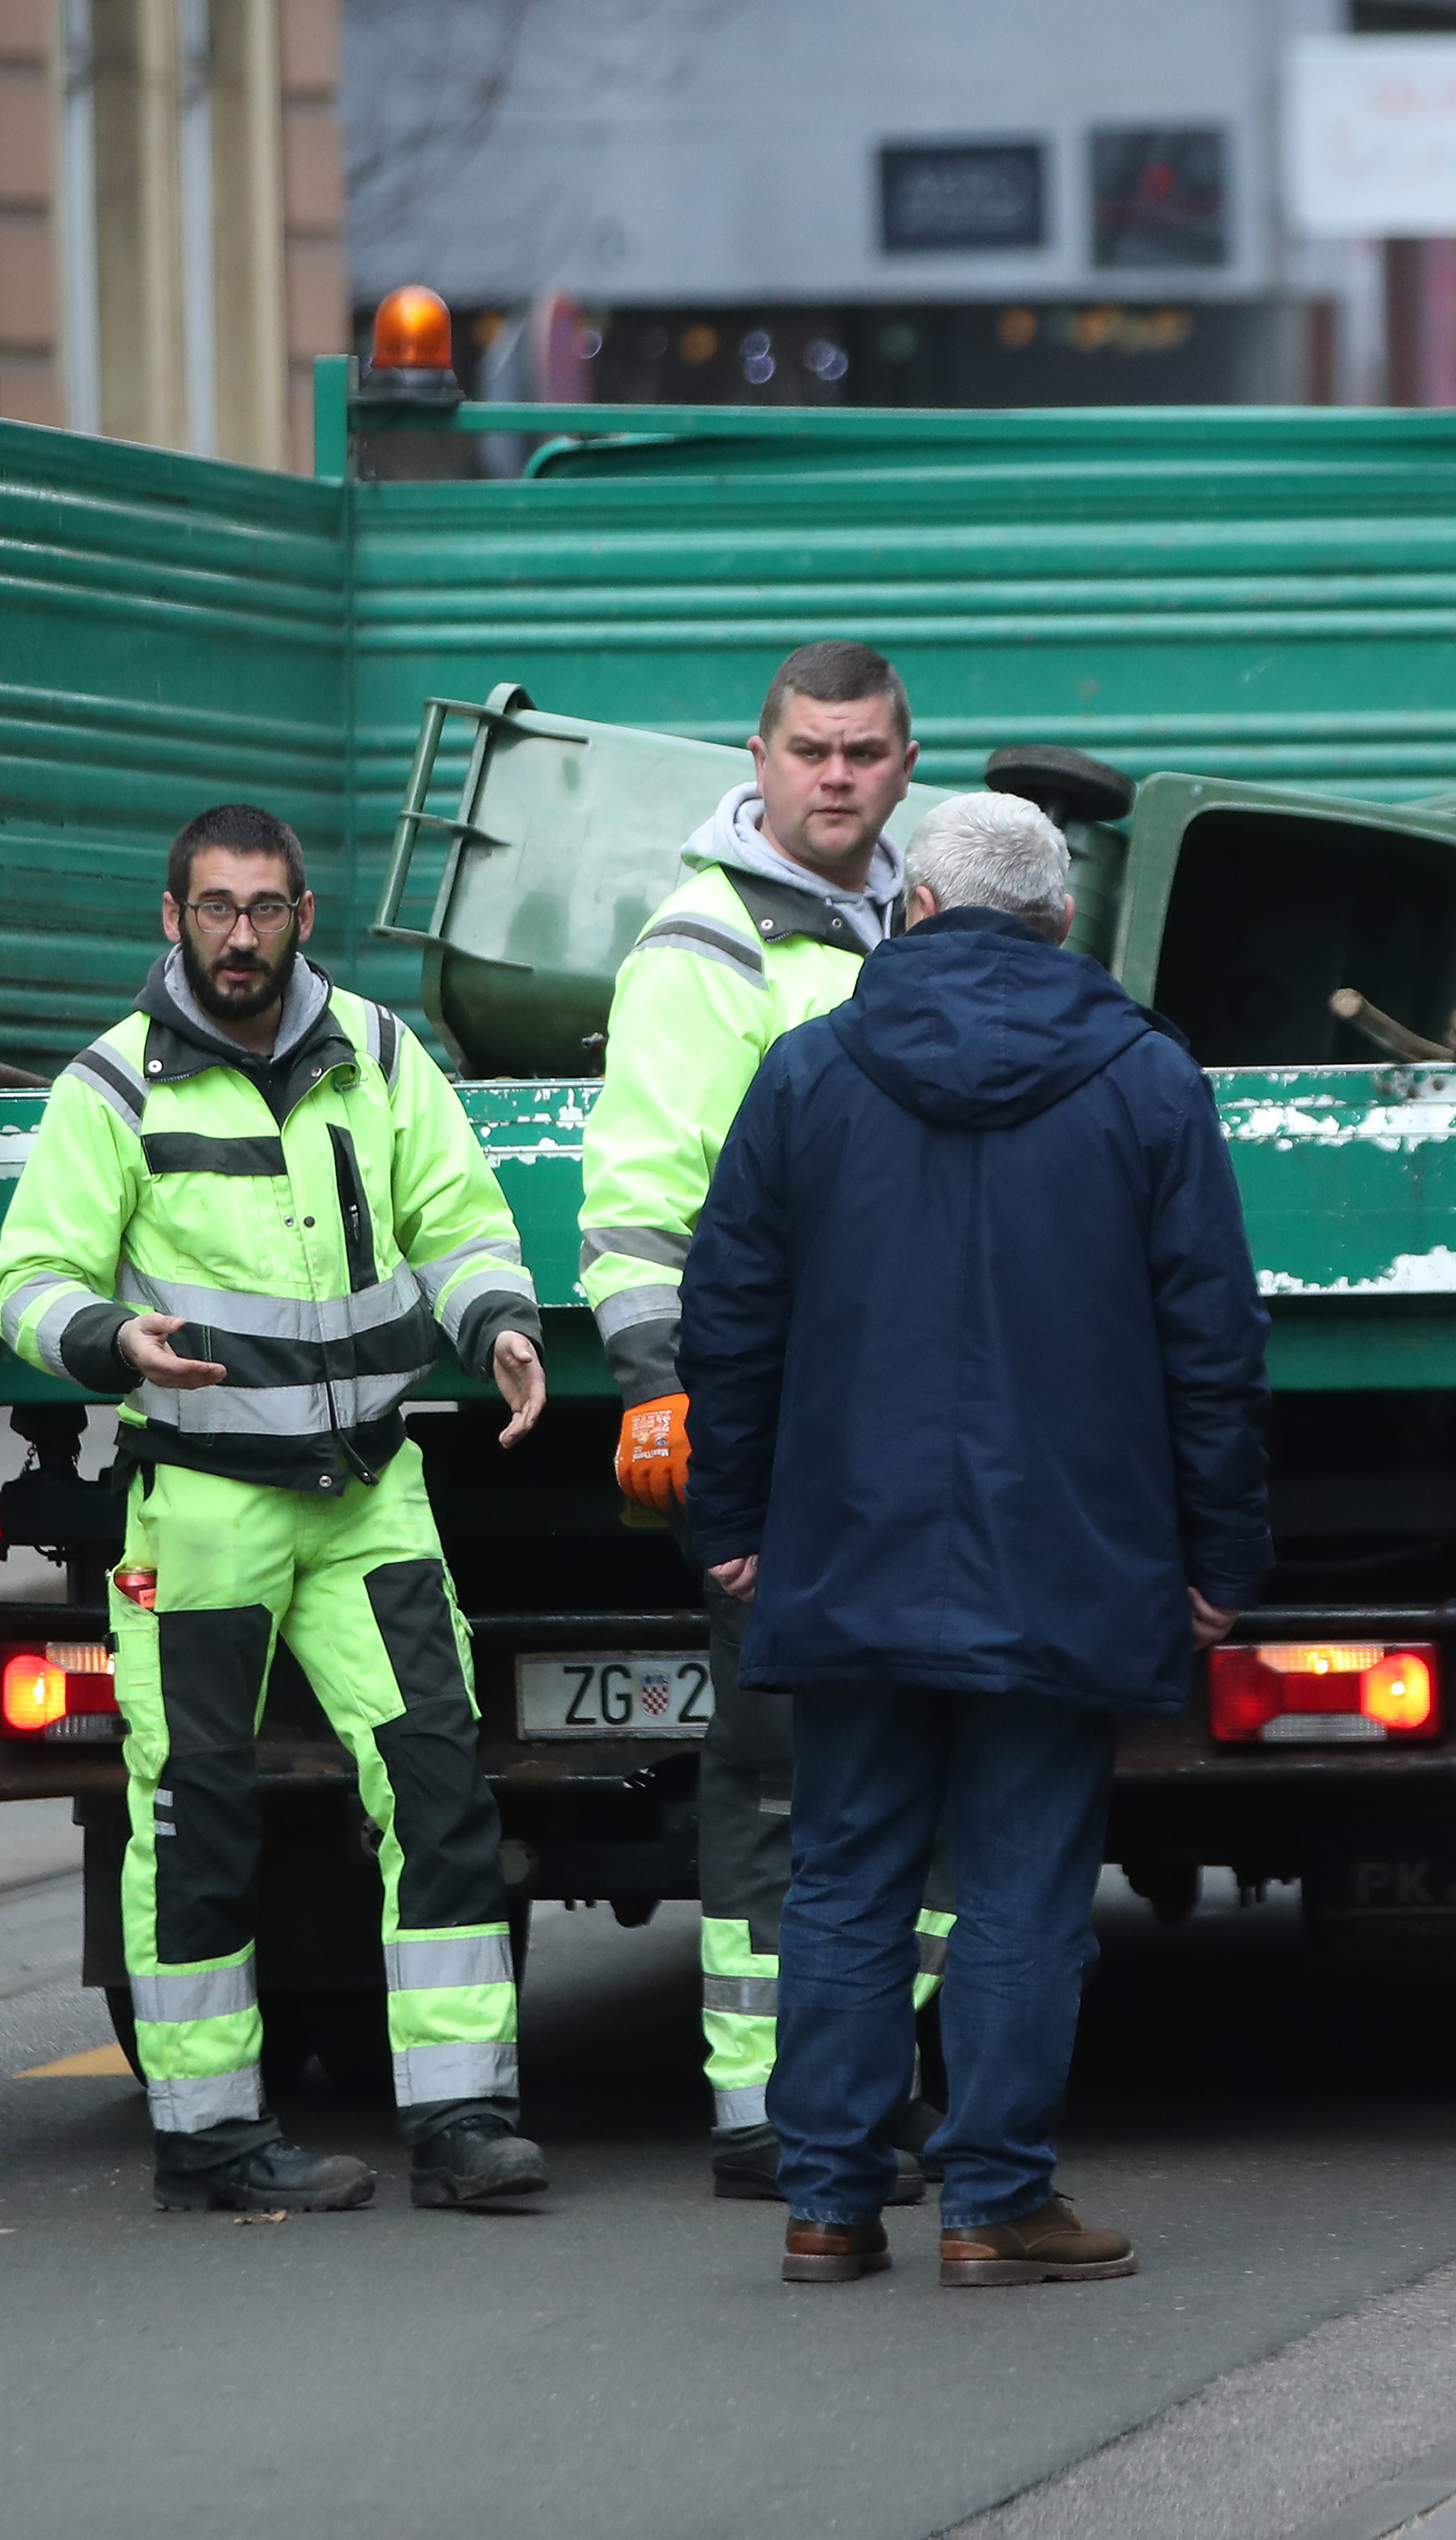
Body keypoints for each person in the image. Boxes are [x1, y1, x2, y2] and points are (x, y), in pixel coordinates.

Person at [678, 790, 1272, 2290]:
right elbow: (1213, 1344)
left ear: (914, 907)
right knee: (1018, 1882)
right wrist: (1222, 1558)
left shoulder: (809, 1073)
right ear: (1065, 921)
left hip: (853, 1545)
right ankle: (995, 2204)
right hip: (1066, 1555)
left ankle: (826, 2200)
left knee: (846, 1871)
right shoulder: (1146, 1080)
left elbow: (728, 1316)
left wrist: (734, 1520)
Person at [0, 802, 556, 2214]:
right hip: (206, 1509)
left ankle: (463, 2117)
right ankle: (209, 2135)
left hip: (368, 1493)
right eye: (215, 909)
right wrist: (115, 1343)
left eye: (267, 909)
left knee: (439, 1787)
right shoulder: (113, 1089)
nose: (241, 935)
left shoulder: (376, 1051)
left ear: (307, 916)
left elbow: (459, 1214)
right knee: (196, 1814)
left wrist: (498, 1325)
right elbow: (30, 1279)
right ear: (170, 918)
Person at [575, 636, 952, 2204]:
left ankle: (876, 2077)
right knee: (782, 1766)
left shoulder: (912, 926)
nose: (838, 776)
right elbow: (637, 1203)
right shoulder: (705, 946)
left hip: (905, 1421)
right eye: (811, 750)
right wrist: (659, 1389)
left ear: (906, 760)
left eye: (864, 751)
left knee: (916, 1758)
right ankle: (763, 2099)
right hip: (772, 1427)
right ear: (760, 754)